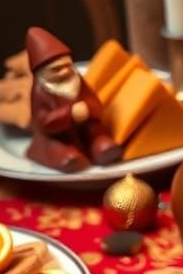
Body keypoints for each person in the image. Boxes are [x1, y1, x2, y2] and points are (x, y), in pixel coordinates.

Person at [26, 27, 118, 172]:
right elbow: (43, 120)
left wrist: (88, 109)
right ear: (42, 72)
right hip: (58, 136)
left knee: (98, 136)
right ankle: (71, 158)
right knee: (62, 151)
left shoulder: (76, 80)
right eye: (56, 69)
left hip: (86, 128)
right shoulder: (41, 91)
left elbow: (95, 102)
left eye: (67, 66)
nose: (64, 72)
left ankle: (100, 149)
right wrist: (69, 115)